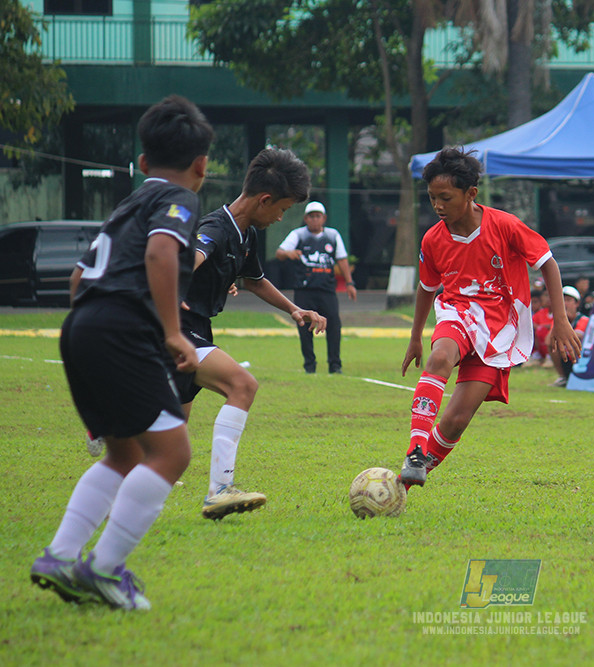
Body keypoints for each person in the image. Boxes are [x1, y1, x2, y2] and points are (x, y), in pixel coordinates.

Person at [30, 95, 214, 610]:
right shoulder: (179, 200)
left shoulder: (129, 203)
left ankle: (61, 555)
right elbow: (161, 252)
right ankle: (104, 568)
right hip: (120, 331)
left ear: (141, 163)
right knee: (173, 452)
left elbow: (77, 276)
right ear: (201, 165)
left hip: (82, 325)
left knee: (125, 453)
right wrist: (173, 333)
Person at [398, 147, 581, 488]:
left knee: (456, 420)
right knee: (440, 356)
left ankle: (400, 487)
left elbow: (548, 263)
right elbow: (427, 287)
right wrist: (415, 335)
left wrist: (560, 320)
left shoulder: (505, 225)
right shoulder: (433, 239)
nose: (438, 206)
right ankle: (415, 450)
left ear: (471, 194)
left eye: (446, 198)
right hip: (456, 312)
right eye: (432, 198)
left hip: (499, 329)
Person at [177, 148, 327, 520]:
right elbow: (190, 259)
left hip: (196, 326)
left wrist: (294, 309)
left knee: (171, 434)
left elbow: (253, 280)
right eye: (282, 209)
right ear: (264, 200)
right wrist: (175, 292)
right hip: (175, 326)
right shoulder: (215, 228)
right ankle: (220, 491)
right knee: (242, 385)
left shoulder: (245, 234)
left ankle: (109, 423)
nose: (280, 217)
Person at [276, 201, 357, 373]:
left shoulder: (332, 236)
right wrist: (289, 253)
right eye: (311, 216)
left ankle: (335, 365)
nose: (314, 220)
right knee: (304, 328)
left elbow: (342, 259)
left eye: (317, 216)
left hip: (327, 290)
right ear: (305, 218)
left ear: (324, 218)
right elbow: (280, 253)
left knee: (334, 326)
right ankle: (309, 366)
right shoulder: (298, 235)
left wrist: (349, 283)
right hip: (304, 290)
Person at [548, 285, 590, 387]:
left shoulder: (583, 319)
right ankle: (563, 377)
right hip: (566, 358)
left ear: (577, 303)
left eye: (568, 300)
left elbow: (577, 336)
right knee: (552, 344)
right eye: (562, 301)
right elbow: (548, 340)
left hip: (581, 359)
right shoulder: (557, 321)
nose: (565, 304)